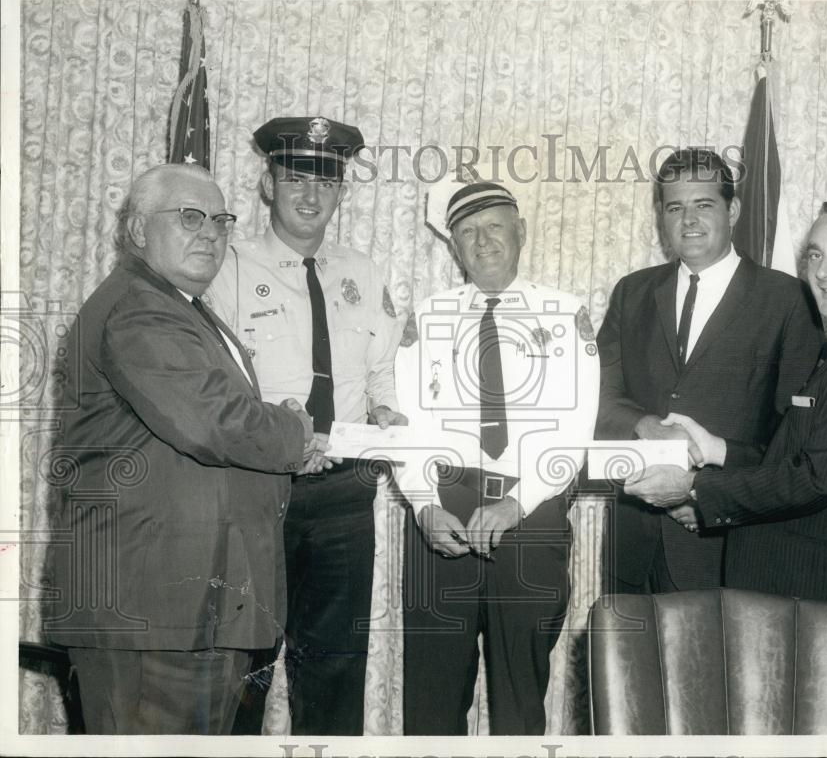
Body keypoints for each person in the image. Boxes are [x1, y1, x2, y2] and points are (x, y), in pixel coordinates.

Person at [631, 198, 827, 734]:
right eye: (815, 256)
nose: (824, 272)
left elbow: (820, 477)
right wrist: (714, 451)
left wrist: (699, 492)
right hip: (815, 622)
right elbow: (798, 458)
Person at [44, 163, 314, 734]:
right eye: (189, 217)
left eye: (220, 220)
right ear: (139, 230)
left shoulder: (179, 307)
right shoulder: (140, 307)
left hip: (183, 614)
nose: (211, 232)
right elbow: (216, 421)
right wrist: (296, 433)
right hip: (152, 616)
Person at [205, 115, 406, 735]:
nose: (310, 195)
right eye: (295, 178)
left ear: (342, 191)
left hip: (345, 497)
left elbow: (380, 373)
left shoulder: (363, 273)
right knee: (245, 666)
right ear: (267, 184)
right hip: (261, 493)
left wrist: (386, 414)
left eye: (326, 180)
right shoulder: (228, 269)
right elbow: (214, 384)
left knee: (336, 668)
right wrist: (274, 426)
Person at [394, 180, 600, 734]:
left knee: (519, 696)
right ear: (454, 247)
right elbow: (405, 424)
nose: (482, 242)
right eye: (467, 233)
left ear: (521, 234)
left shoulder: (565, 313)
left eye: (494, 228)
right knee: (432, 698)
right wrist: (421, 505)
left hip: (531, 513)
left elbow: (576, 426)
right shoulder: (427, 317)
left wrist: (517, 503)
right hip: (445, 508)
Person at [595, 147, 823, 594]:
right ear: (662, 217)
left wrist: (705, 490)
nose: (689, 220)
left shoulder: (788, 301)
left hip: (726, 542)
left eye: (704, 205)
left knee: (714, 666)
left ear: (733, 209)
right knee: (625, 665)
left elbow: (793, 437)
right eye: (675, 207)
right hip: (633, 542)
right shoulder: (633, 292)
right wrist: (645, 426)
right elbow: (598, 395)